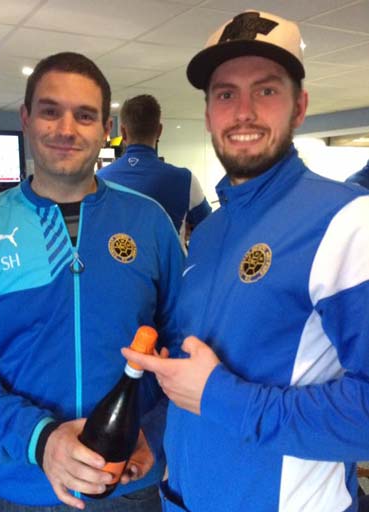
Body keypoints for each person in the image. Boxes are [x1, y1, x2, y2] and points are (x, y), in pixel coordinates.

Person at [122, 10, 369, 512]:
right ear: (210, 113)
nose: (244, 111)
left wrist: (221, 397)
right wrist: (153, 434)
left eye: (267, 90)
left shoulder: (347, 221)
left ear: (299, 107)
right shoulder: (209, 232)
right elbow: (192, 376)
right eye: (226, 94)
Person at [0, 52, 184, 512]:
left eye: (85, 116)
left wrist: (156, 433)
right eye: (50, 111)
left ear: (107, 129)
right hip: (19, 488)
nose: (66, 129)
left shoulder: (150, 223)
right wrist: (40, 441)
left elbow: (186, 346)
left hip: (129, 485)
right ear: (26, 118)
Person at [98, 95, 211, 243]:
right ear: (159, 131)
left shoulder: (99, 179)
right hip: (172, 265)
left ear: (123, 132)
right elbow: (210, 229)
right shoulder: (185, 179)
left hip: (119, 263)